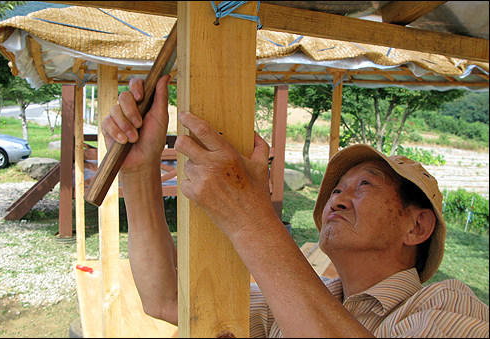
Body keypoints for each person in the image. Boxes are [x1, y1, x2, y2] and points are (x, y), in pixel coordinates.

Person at [101, 75, 489, 337]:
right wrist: (138, 173)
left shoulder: (449, 306)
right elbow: (167, 298)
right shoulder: (301, 297)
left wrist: (250, 217)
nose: (337, 196)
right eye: (336, 188)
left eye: (365, 184)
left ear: (417, 227)